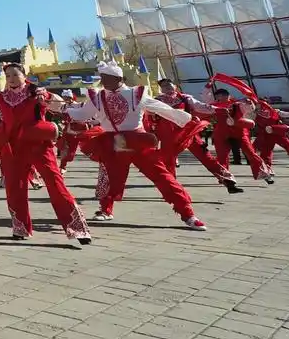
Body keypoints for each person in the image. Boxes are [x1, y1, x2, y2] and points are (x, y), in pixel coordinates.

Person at [53, 63, 206, 230]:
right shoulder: (98, 96)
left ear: (118, 78)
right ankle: (105, 210)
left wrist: (184, 118)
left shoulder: (136, 93)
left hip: (137, 141)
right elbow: (82, 114)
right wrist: (61, 109)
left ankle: (188, 214)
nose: (102, 81)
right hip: (112, 143)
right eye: (102, 77)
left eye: (106, 78)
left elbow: (161, 108)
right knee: (108, 177)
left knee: (163, 176)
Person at [0, 64, 91, 247]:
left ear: (24, 75)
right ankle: (20, 228)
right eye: (8, 75)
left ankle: (77, 228)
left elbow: (58, 104)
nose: (11, 78)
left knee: (55, 183)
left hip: (39, 146)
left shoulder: (37, 93)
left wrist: (48, 97)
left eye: (15, 74)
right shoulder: (0, 97)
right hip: (13, 148)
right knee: (15, 187)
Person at [153, 79, 241, 193]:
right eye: (164, 86)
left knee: (207, 156)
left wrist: (218, 109)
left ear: (175, 86)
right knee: (169, 162)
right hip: (170, 136)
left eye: (169, 85)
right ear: (161, 89)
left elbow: (201, 106)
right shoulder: (156, 101)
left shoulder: (185, 98)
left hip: (189, 132)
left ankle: (228, 182)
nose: (167, 88)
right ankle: (172, 189)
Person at [209, 89, 271, 183]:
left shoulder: (238, 104)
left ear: (226, 96)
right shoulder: (214, 106)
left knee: (251, 153)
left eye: (219, 96)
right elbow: (204, 107)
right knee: (222, 156)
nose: (217, 98)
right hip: (222, 133)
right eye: (217, 97)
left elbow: (250, 109)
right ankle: (224, 177)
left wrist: (250, 103)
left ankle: (262, 173)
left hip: (240, 133)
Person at [252, 100, 289, 175]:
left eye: (262, 104)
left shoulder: (274, 111)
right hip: (267, 135)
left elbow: (287, 114)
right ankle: (267, 169)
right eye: (257, 105)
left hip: (279, 133)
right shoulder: (254, 114)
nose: (261, 107)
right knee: (266, 153)